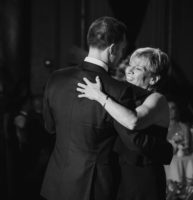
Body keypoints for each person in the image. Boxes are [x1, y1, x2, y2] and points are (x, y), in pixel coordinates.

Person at [41, 16, 172, 200]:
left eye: (139, 68)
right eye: (124, 54)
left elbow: (49, 127)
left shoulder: (56, 78)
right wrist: (166, 150)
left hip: (56, 182)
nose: (127, 68)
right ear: (113, 49)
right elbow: (133, 139)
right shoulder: (118, 90)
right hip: (92, 185)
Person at [76, 47, 173, 200]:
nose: (130, 71)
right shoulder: (125, 96)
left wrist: (100, 96)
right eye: (130, 65)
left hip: (142, 178)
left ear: (154, 79)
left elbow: (133, 121)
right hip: (117, 173)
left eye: (138, 68)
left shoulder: (157, 99)